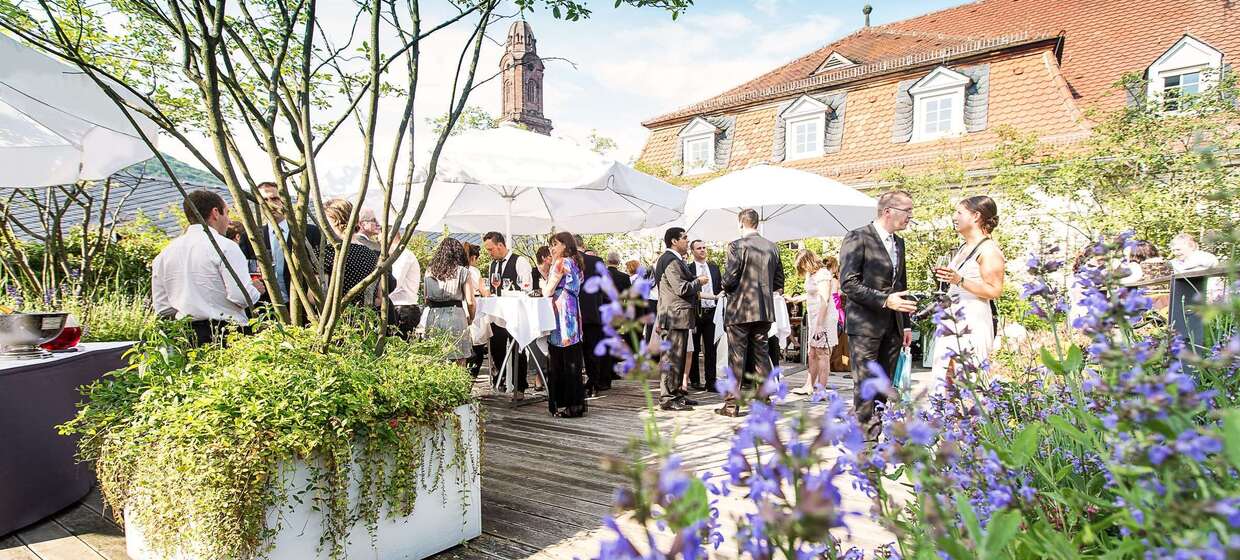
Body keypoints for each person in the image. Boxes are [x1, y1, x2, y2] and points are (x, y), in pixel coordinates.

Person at [839, 191, 917, 441]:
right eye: (907, 211)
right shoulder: (857, 237)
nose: (910, 217)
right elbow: (848, 283)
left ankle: (877, 431)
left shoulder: (900, 243)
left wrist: (905, 326)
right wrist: (885, 300)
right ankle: (865, 441)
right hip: (864, 325)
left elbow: (900, 284)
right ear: (888, 211)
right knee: (865, 384)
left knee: (883, 384)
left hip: (893, 326)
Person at [152, 190, 265, 346]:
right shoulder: (225, 247)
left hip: (186, 336)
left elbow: (163, 308)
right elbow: (240, 296)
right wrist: (255, 291)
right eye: (227, 213)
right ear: (215, 212)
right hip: (227, 333)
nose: (229, 220)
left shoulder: (165, 254)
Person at [930, 196, 1005, 394]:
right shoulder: (963, 247)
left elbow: (994, 290)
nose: (954, 217)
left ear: (976, 216)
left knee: (968, 380)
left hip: (973, 318)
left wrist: (959, 280)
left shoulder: (988, 250)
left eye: (959, 213)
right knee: (944, 378)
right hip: (952, 315)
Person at [717, 209, 784, 417]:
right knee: (761, 355)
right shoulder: (772, 247)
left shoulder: (737, 246)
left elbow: (729, 280)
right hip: (763, 309)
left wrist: (726, 287)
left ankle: (731, 405)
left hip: (740, 309)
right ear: (757, 223)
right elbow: (779, 281)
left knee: (736, 357)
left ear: (741, 223)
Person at [238, 181, 323, 309]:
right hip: (266, 308)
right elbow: (244, 272)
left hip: (304, 307)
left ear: (284, 201)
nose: (270, 204)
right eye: (264, 200)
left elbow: (322, 270)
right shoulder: (251, 238)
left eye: (274, 198)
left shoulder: (309, 232)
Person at [655, 227, 708, 411]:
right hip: (674, 316)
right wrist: (699, 282)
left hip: (678, 316)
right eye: (684, 238)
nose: (687, 241)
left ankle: (676, 394)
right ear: (674, 241)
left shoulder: (675, 260)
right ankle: (668, 397)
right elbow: (681, 288)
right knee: (671, 358)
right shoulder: (670, 260)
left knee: (677, 358)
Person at [483, 232, 534, 396]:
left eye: (491, 249)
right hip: (498, 315)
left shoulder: (520, 261)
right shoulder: (492, 265)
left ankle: (520, 387)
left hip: (515, 314)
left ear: (500, 245)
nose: (489, 253)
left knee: (517, 350)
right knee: (497, 348)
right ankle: (502, 378)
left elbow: (526, 287)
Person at [543, 232, 588, 417]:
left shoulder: (561, 263)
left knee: (559, 360)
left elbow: (548, 290)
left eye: (555, 244)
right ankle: (575, 404)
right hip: (573, 309)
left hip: (561, 311)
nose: (552, 248)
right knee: (573, 360)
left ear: (564, 245)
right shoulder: (576, 262)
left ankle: (562, 403)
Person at [322, 199, 390, 309]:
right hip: (365, 320)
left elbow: (315, 296)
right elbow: (379, 298)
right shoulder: (373, 255)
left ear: (335, 221)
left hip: (335, 320)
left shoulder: (327, 253)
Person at [790, 249, 838, 395]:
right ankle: (809, 385)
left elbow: (825, 299)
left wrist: (819, 324)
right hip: (813, 317)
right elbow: (813, 293)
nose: (803, 269)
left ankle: (821, 390)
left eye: (803, 265)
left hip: (823, 318)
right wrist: (796, 299)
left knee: (822, 353)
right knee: (811, 353)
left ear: (808, 261)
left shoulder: (823, 274)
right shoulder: (811, 275)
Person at [423, 237, 476, 365]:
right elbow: (470, 301)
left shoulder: (429, 271)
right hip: (455, 316)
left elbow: (425, 298)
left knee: (436, 359)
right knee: (459, 358)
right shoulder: (463, 272)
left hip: (433, 316)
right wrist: (471, 318)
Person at [575, 234, 609, 394]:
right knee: (592, 350)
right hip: (592, 311)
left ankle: (576, 382)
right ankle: (594, 382)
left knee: (575, 351)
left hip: (572, 312)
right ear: (583, 244)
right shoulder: (596, 261)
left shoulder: (566, 261)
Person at [686, 240, 721, 392]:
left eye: (704, 247)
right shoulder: (688, 268)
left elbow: (719, 288)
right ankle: (694, 380)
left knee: (711, 349)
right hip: (695, 313)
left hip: (712, 313)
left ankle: (711, 382)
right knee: (693, 349)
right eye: (698, 248)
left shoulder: (714, 267)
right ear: (692, 251)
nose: (702, 250)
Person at [389, 228, 422, 339]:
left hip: (403, 309)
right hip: (403, 307)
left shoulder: (402, 256)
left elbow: (395, 283)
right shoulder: (402, 255)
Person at [462, 242, 490, 378]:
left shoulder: (457, 269)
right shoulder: (473, 271)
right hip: (475, 308)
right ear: (473, 258)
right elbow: (484, 292)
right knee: (477, 346)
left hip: (460, 308)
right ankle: (471, 378)